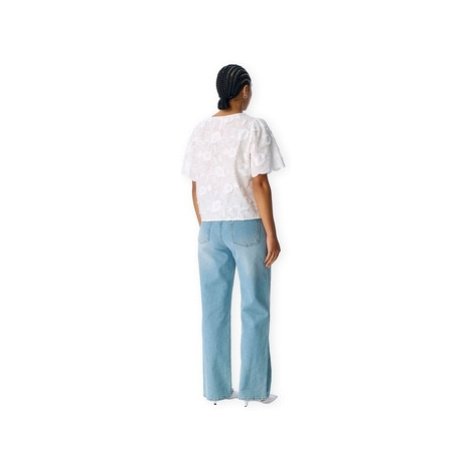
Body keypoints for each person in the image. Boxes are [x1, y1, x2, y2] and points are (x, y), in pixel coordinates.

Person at [182, 64, 285, 406]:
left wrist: (206, 225)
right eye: (249, 88)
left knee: (213, 312)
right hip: (246, 224)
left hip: (209, 229)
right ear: (243, 90)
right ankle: (253, 391)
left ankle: (216, 390)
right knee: (254, 308)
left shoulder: (200, 130)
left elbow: (195, 186)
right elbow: (259, 182)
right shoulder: (253, 127)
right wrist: (271, 233)